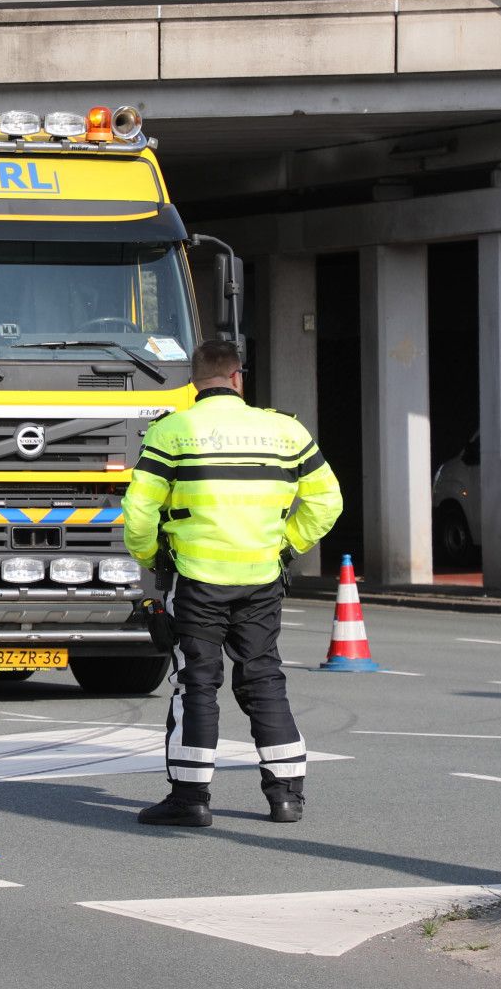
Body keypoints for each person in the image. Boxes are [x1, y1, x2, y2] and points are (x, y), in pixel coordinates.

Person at [123, 339, 343, 827]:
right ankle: (286, 796)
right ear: (239, 377)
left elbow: (139, 511)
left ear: (193, 380)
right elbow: (328, 502)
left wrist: (149, 554)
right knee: (264, 677)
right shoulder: (286, 431)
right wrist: (285, 545)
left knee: (196, 683)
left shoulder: (172, 432)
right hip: (262, 576)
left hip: (198, 580)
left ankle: (190, 799)